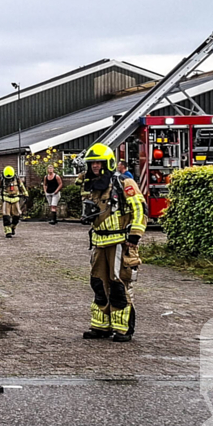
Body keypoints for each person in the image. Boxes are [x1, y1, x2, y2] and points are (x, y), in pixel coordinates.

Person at [80, 143, 146, 343]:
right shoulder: (93, 185)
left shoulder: (123, 183)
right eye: (92, 163)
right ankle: (101, 326)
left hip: (120, 242)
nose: (95, 166)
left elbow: (139, 208)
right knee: (98, 283)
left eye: (98, 163)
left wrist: (134, 236)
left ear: (107, 163)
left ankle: (123, 329)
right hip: (100, 242)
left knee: (118, 284)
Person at [0, 166, 28, 238]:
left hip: (16, 199)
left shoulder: (17, 179)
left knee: (17, 215)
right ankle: (7, 231)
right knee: (6, 215)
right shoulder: (1, 179)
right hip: (6, 199)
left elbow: (21, 186)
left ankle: (13, 227)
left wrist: (25, 194)